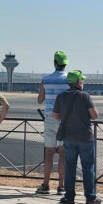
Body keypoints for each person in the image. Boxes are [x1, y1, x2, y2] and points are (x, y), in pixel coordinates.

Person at [53, 70, 100, 204]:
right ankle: (90, 197)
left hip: (68, 136)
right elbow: (94, 116)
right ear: (79, 82)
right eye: (82, 80)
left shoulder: (61, 97)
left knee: (70, 168)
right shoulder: (84, 96)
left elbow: (55, 116)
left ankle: (69, 197)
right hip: (85, 137)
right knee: (88, 167)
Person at [35, 51, 69, 195]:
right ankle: (61, 186)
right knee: (63, 154)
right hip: (65, 119)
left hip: (49, 117)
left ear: (55, 63)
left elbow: (40, 100)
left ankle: (45, 184)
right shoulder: (69, 79)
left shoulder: (46, 79)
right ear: (65, 64)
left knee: (48, 152)